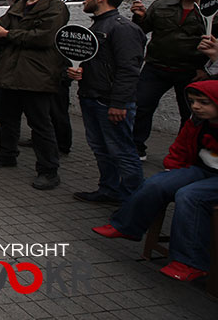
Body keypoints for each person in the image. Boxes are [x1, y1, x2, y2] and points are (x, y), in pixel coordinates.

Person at [92, 81, 218, 283]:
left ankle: (190, 262)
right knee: (157, 183)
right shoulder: (196, 122)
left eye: (204, 103)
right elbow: (181, 147)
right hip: (201, 170)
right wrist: (172, 170)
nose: (196, 106)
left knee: (189, 196)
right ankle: (127, 227)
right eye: (193, 102)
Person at [0, 0, 70, 190]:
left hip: (36, 75)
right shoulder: (18, 6)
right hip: (11, 72)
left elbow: (45, 37)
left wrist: (8, 34)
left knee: (40, 123)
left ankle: (49, 170)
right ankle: (6, 154)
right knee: (8, 118)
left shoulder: (55, 6)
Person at [67, 0, 146, 204]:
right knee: (101, 149)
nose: (85, 0)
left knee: (122, 151)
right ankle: (109, 190)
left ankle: (135, 202)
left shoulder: (122, 28)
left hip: (110, 102)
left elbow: (129, 70)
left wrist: (119, 103)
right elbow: (100, 64)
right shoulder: (98, 26)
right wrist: (77, 71)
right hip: (92, 97)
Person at [131, 0, 214, 159]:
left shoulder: (213, 10)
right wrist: (140, 17)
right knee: (141, 107)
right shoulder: (161, 5)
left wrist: (205, 69)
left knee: (190, 114)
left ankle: (183, 152)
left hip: (192, 72)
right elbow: (141, 30)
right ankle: (136, 147)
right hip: (156, 67)